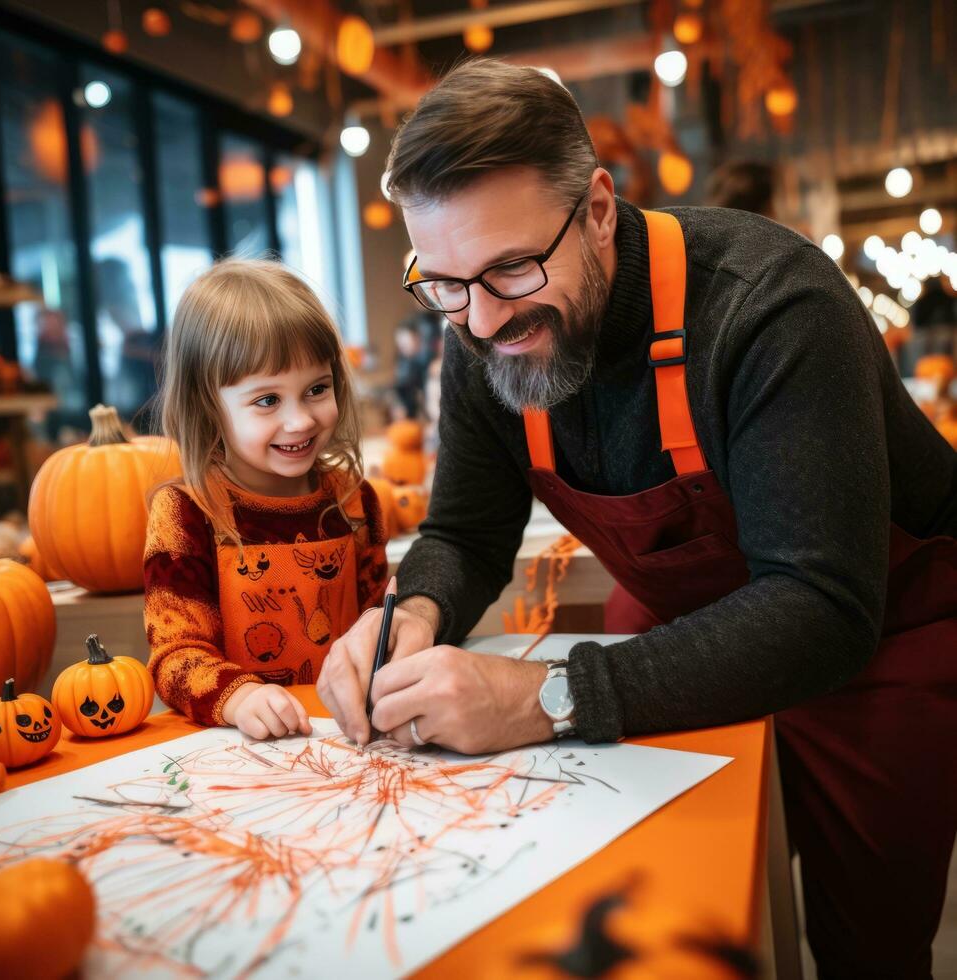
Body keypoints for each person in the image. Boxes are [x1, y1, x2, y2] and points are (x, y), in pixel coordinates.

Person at [317, 60, 957, 979]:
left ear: (601, 209)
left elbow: (821, 602)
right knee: (674, 907)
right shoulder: (480, 324)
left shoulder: (771, 307)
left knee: (868, 944)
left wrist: (543, 696)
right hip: (685, 625)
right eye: (445, 282)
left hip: (879, 639)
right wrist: (410, 612)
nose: (484, 318)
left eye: (511, 267)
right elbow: (464, 532)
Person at [144, 259, 388, 740]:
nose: (300, 421)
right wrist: (241, 697)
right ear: (208, 407)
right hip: (244, 749)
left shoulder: (356, 502)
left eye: (317, 389)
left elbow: (380, 625)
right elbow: (175, 656)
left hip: (349, 738)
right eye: (267, 400)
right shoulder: (186, 512)